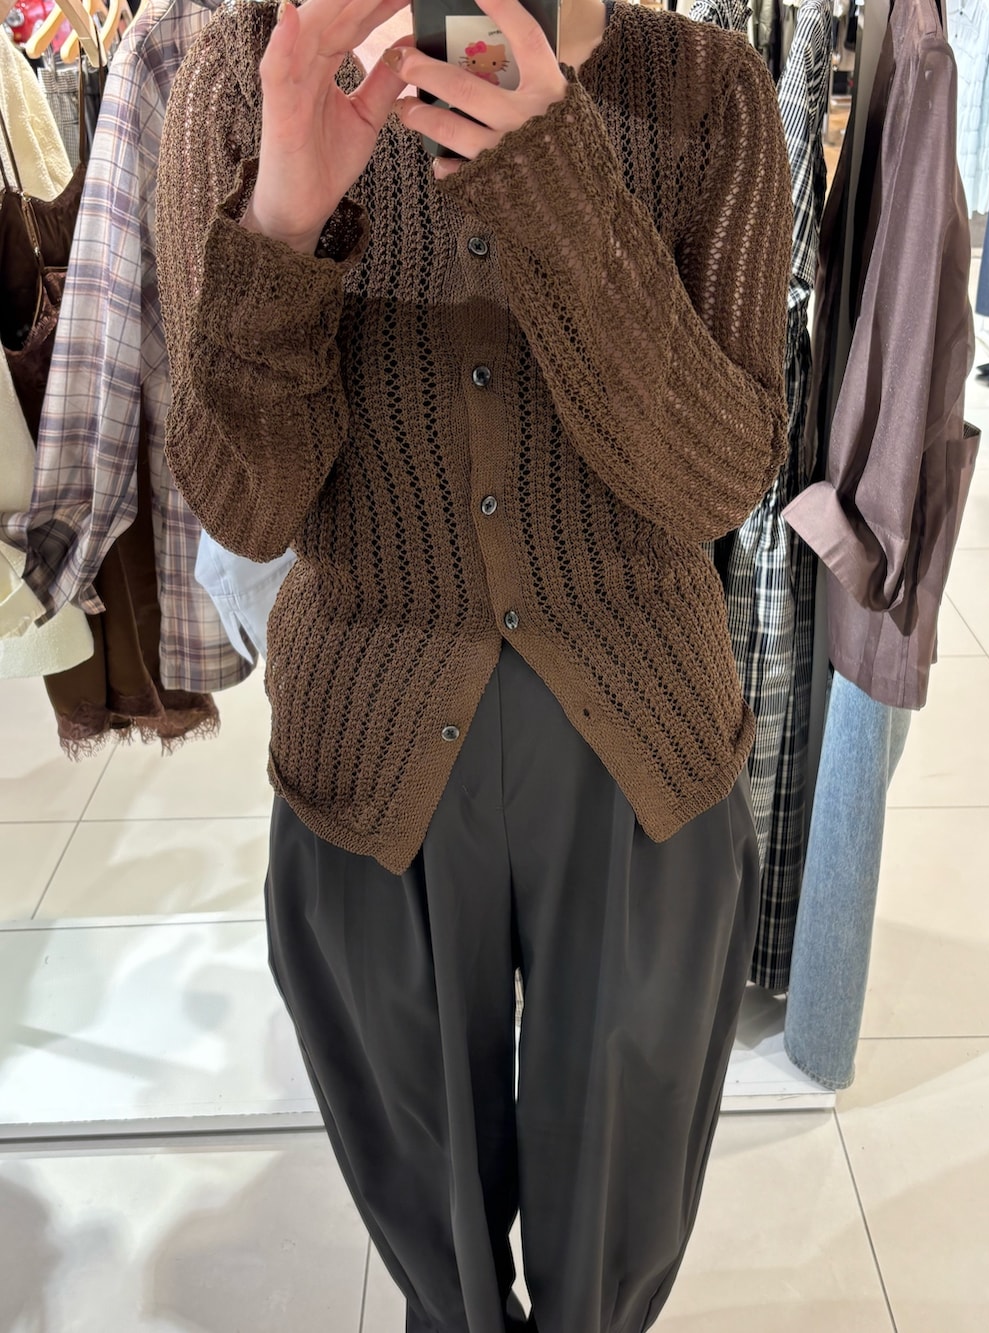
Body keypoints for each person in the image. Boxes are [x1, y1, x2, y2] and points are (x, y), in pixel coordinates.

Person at [155, 0, 793, 1327]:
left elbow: (716, 481)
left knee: (613, 1232)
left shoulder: (707, 91)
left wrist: (556, 176)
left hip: (644, 751)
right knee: (428, 1235)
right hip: (368, 756)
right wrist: (282, 225)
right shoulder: (246, 76)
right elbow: (246, 508)